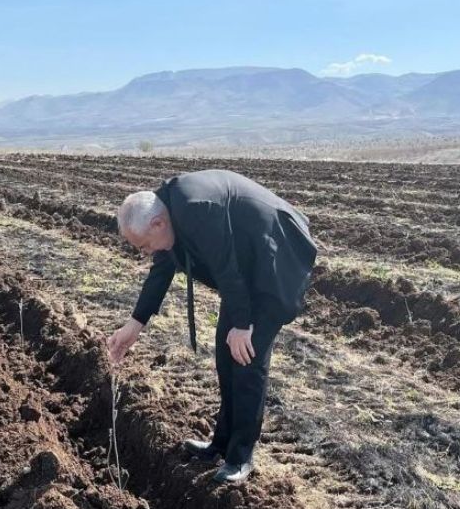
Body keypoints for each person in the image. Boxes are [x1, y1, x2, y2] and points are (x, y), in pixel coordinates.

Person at [106, 169, 317, 484]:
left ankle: (241, 456)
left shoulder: (195, 208)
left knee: (246, 357)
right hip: (247, 267)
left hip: (276, 258)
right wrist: (134, 325)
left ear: (157, 224)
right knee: (224, 352)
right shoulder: (165, 209)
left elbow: (226, 267)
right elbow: (163, 269)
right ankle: (221, 443)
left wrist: (244, 325)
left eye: (144, 246)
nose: (147, 252)